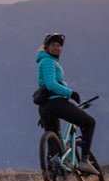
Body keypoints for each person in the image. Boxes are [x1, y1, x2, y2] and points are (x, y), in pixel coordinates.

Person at [34, 32, 99, 170]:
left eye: (59, 45)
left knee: (55, 145)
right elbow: (51, 84)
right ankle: (84, 161)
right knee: (89, 123)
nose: (56, 48)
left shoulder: (46, 61)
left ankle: (53, 180)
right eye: (53, 45)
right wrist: (71, 93)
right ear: (47, 47)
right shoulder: (48, 62)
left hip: (46, 107)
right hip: (57, 104)